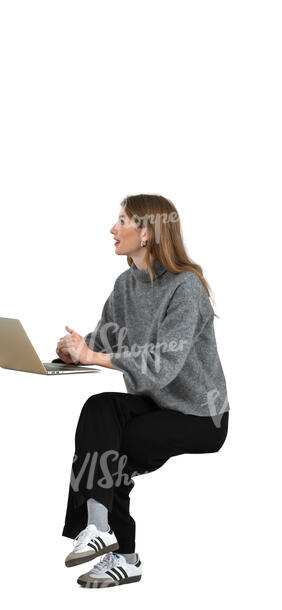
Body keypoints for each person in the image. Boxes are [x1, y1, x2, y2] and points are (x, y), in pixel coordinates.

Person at [54, 194, 229, 588]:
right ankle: (104, 533)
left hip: (201, 417)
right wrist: (72, 350)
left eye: (122, 221)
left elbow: (161, 367)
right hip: (155, 405)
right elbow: (105, 338)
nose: (112, 230)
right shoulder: (125, 284)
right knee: (100, 411)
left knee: (116, 442)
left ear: (147, 232)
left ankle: (123, 553)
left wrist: (94, 356)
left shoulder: (186, 288)